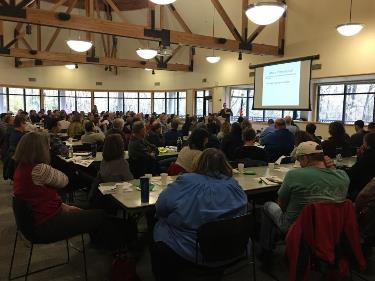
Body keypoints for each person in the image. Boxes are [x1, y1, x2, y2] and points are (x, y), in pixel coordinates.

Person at [151, 148, 248, 281]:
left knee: (160, 228)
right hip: (234, 247)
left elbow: (161, 207)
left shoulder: (186, 182)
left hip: (194, 251)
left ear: (198, 163)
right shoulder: (235, 186)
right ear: (225, 164)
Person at [259, 141, 349, 259]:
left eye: (299, 160)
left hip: (297, 227)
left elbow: (281, 205)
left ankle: (266, 249)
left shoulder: (294, 175)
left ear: (305, 158)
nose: (300, 164)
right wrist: (332, 167)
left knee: (267, 206)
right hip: (331, 226)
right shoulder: (343, 176)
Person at [12, 132, 106, 242]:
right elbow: (64, 181)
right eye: (47, 146)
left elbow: (38, 198)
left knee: (89, 210)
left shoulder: (20, 168)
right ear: (41, 149)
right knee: (100, 214)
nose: (50, 148)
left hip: (35, 222)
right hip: (47, 223)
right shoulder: (40, 169)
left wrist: (64, 207)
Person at [346, 132, 375, 200]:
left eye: (364, 142)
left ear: (367, 144)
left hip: (363, 190)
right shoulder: (367, 155)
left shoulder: (367, 157)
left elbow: (352, 173)